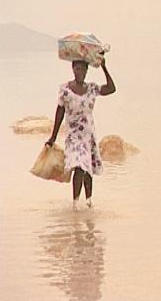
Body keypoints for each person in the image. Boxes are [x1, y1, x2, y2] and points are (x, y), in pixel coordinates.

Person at [46, 53, 116, 210]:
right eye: (77, 69)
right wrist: (53, 136)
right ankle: (76, 204)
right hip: (73, 136)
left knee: (87, 169)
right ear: (73, 69)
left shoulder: (91, 88)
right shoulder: (65, 90)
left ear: (86, 71)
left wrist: (103, 66)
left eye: (83, 70)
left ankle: (89, 201)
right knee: (79, 165)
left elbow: (111, 89)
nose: (80, 72)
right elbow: (60, 112)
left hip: (88, 135)